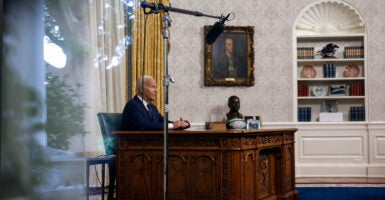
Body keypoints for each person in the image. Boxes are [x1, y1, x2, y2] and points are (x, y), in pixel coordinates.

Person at [121, 75, 190, 131]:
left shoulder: (152, 108)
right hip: (134, 145)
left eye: (156, 88)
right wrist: (173, 125)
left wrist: (181, 124)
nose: (156, 91)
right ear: (141, 89)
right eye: (153, 87)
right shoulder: (132, 106)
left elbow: (163, 122)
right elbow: (143, 125)